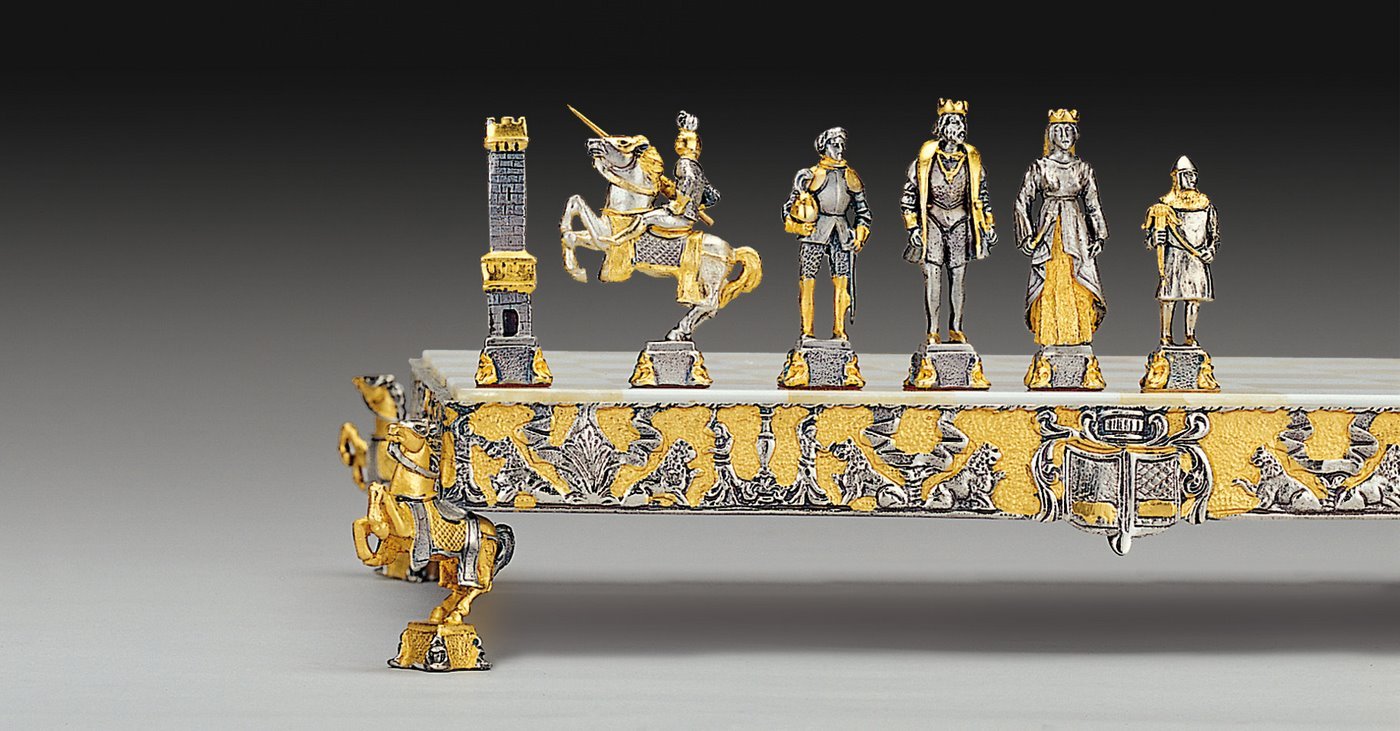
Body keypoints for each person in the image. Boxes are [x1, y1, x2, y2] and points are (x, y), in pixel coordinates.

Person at [900, 99, 997, 345]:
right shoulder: (925, 159)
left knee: (958, 276)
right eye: (953, 122)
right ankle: (932, 330)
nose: (958, 128)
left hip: (960, 223)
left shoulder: (972, 160)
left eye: (961, 122)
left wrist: (988, 225)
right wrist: (913, 226)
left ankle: (956, 329)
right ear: (942, 126)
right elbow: (909, 195)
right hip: (932, 221)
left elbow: (982, 197)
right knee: (932, 275)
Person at [1013, 108, 1108, 349]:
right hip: (1049, 230)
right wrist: (1026, 235)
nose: (1065, 135)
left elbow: (1093, 204)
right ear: (1051, 134)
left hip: (1076, 230)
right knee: (1050, 277)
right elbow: (1022, 201)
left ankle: (1076, 334)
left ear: (1076, 134)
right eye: (1059, 130)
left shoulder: (1082, 169)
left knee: (1078, 275)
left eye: (1069, 130)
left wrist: (1099, 235)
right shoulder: (1041, 167)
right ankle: (1051, 335)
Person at [781, 127, 871, 340]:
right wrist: (798, 226)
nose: (839, 149)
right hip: (814, 232)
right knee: (807, 281)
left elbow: (863, 211)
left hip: (841, 233)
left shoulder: (850, 176)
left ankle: (839, 331)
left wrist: (860, 233)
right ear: (824, 146)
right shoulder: (811, 175)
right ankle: (807, 332)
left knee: (842, 281)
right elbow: (789, 208)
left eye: (841, 144)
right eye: (834, 144)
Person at [1143, 156, 1217, 346]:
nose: (1192, 179)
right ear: (1177, 178)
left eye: (1193, 175)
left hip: (1196, 256)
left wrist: (1210, 250)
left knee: (1193, 298)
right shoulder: (1165, 206)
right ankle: (1165, 336)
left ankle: (1189, 336)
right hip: (1174, 256)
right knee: (1169, 297)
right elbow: (1150, 237)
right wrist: (1155, 239)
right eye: (1187, 175)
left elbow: (1214, 234)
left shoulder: (1206, 205)